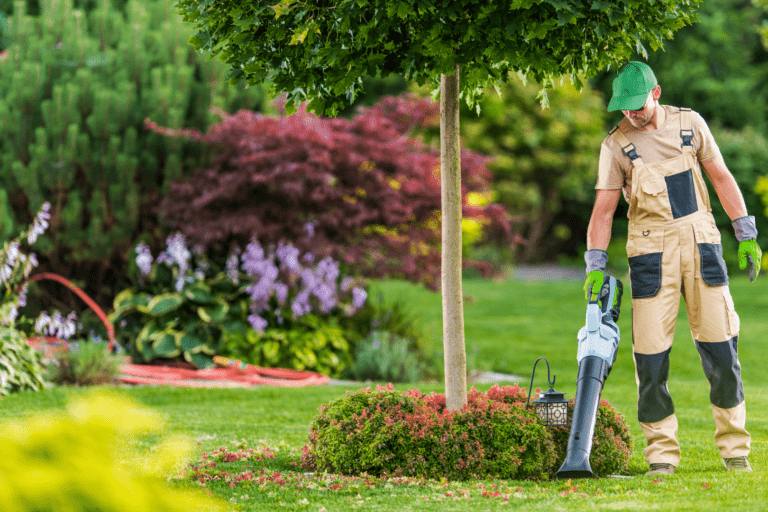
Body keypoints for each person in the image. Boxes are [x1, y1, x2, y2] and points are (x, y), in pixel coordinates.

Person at [583, 61, 763, 476]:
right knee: (650, 359)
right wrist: (595, 263)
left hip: (700, 242)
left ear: (656, 93)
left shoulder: (690, 125)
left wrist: (745, 230)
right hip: (649, 251)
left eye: (637, 105)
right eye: (623, 108)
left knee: (722, 348)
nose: (631, 114)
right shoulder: (615, 146)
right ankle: (661, 454)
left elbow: (720, 177)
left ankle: (735, 448)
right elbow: (604, 210)